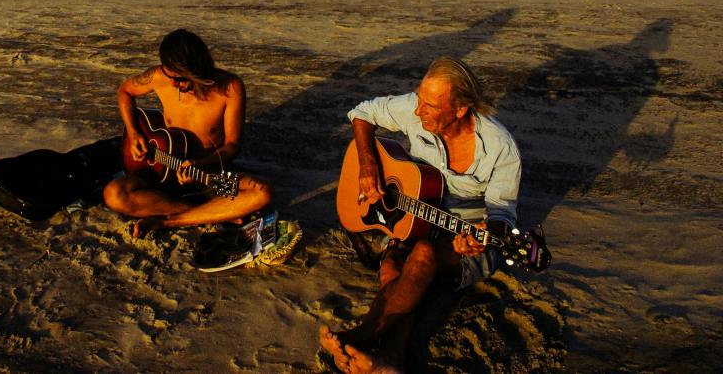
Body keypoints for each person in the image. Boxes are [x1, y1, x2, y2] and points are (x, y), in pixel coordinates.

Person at [319, 56, 521, 371]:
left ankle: (361, 334)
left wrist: (483, 236)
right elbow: (362, 113)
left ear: (460, 109)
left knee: (423, 255)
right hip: (414, 217)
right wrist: (368, 163)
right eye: (418, 99)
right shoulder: (419, 106)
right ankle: (390, 359)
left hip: (463, 232)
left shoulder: (499, 148)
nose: (417, 111)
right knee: (392, 269)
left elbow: (503, 217)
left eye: (429, 106)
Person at [103, 29, 273, 237]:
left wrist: (202, 164)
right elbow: (125, 91)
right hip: (160, 168)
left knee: (261, 193)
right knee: (114, 194)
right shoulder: (159, 76)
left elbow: (232, 145)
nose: (175, 84)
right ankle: (213, 212)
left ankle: (169, 221)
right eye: (170, 76)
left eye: (182, 78)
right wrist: (134, 132)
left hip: (208, 173)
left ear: (197, 70)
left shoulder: (230, 87)